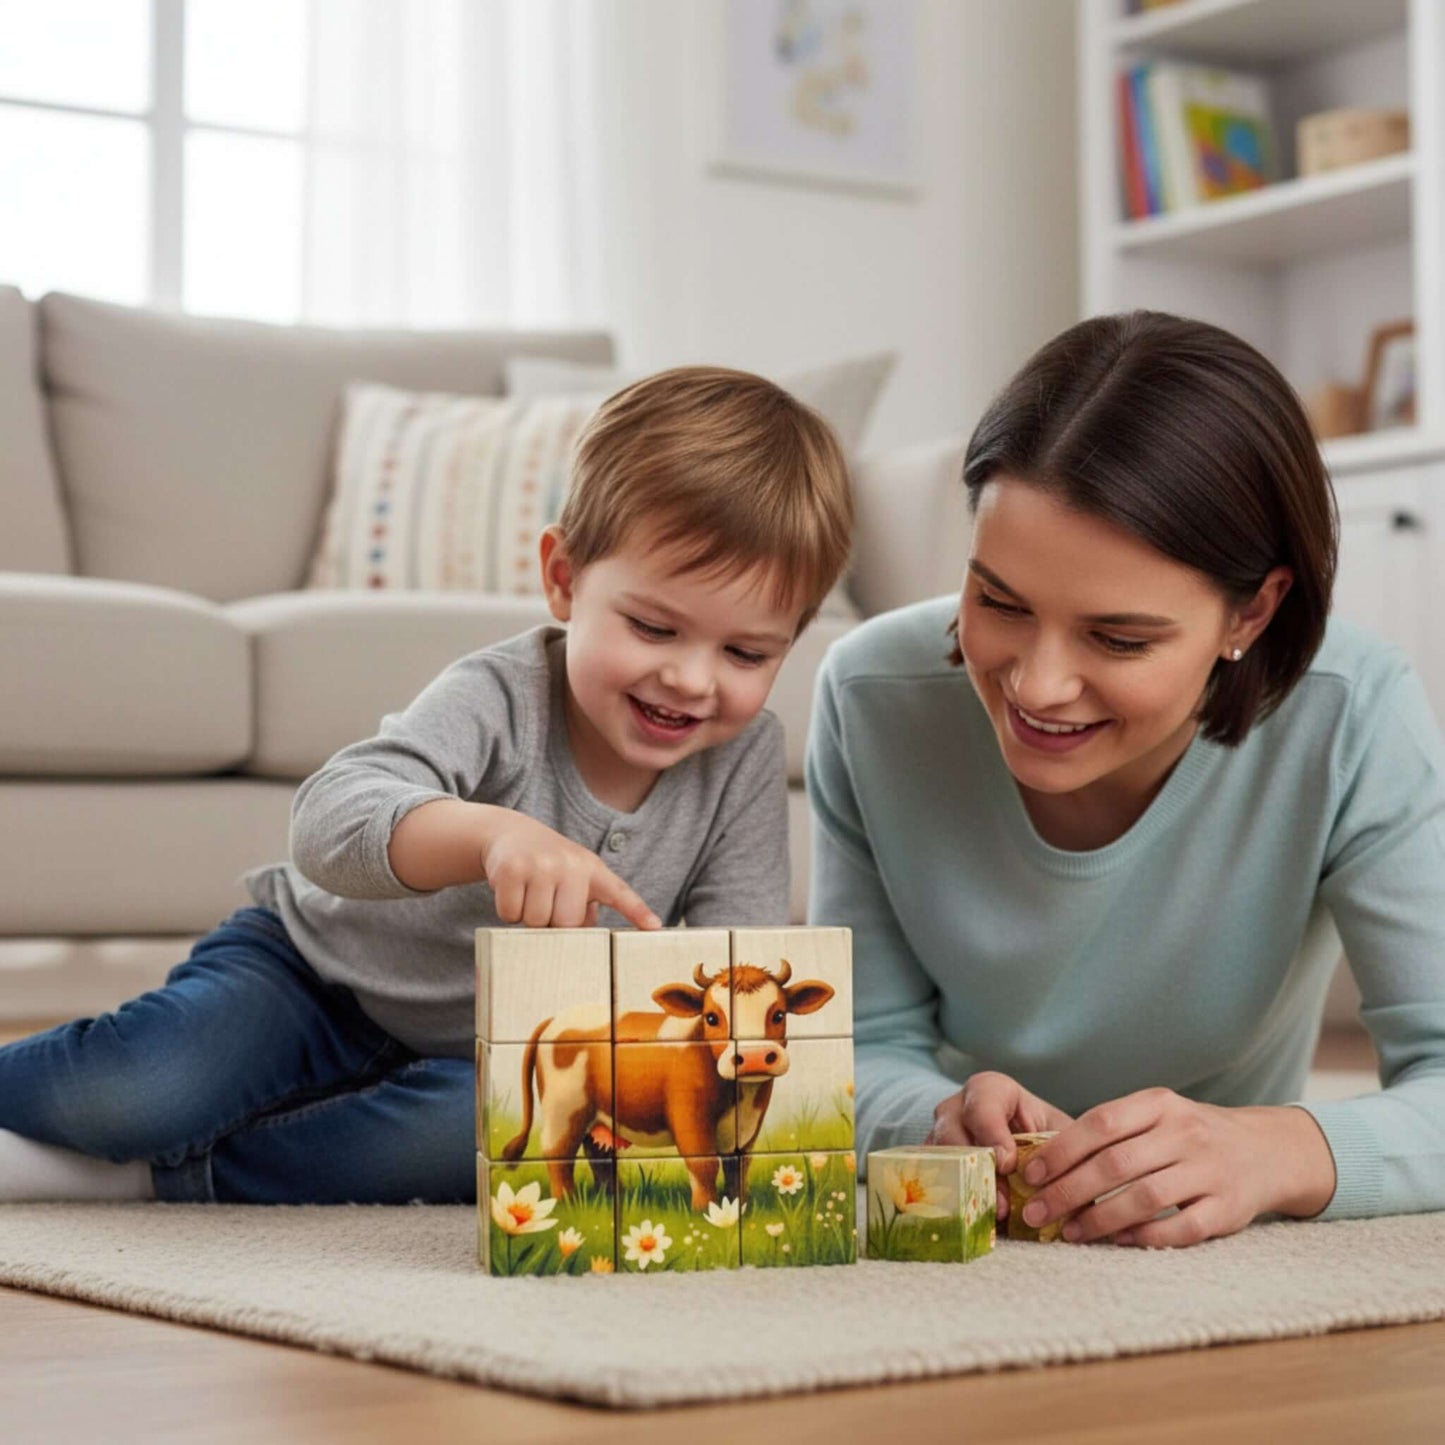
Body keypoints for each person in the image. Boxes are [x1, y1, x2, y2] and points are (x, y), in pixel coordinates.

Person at [0, 365, 853, 1205]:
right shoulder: (502, 694)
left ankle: (172, 1172)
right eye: (654, 627)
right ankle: (141, 1134)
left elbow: (729, 963)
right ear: (563, 578)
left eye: (746, 653)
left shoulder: (743, 760)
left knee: (497, 1146)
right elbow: (328, 819)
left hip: (482, 1053)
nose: (693, 679)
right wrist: (487, 834)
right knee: (144, 1088)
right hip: (309, 976)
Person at [808, 311, 1445, 1247]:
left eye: (1118, 637)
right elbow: (861, 1043)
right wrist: (935, 1119)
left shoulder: (1351, 710)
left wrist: (1273, 1150)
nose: (1036, 683)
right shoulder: (870, 694)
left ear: (1254, 610)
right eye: (997, 600)